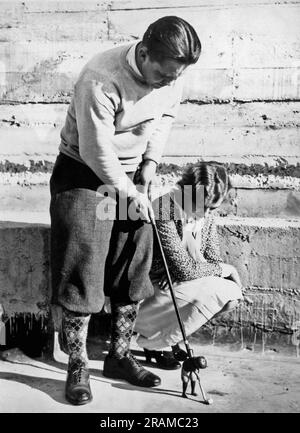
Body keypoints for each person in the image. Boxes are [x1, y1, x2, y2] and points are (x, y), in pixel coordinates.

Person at [49, 16, 202, 405]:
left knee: (133, 260)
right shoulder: (100, 79)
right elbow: (95, 151)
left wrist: (150, 164)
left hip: (133, 173)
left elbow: (165, 116)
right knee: (83, 263)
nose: (169, 83)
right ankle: (78, 363)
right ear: (144, 52)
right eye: (163, 75)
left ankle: (119, 356)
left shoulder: (172, 72)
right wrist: (128, 194)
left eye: (175, 77)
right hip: (84, 173)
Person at [134, 162, 244, 367]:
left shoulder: (206, 218)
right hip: (150, 286)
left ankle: (166, 338)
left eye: (213, 208)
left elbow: (211, 260)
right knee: (220, 286)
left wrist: (194, 272)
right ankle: (156, 340)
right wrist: (227, 269)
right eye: (204, 206)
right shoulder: (164, 207)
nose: (207, 213)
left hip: (177, 282)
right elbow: (187, 269)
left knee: (230, 294)